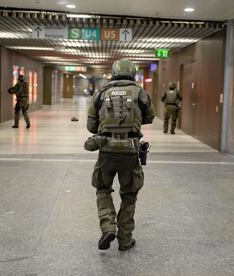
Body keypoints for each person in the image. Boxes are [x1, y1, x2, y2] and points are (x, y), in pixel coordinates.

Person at [86, 59, 155, 251]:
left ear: (114, 73)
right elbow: (150, 116)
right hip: (130, 151)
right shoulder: (140, 92)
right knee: (129, 194)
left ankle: (108, 227)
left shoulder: (101, 93)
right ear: (132, 73)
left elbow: (91, 126)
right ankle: (125, 240)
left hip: (106, 151)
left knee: (102, 189)